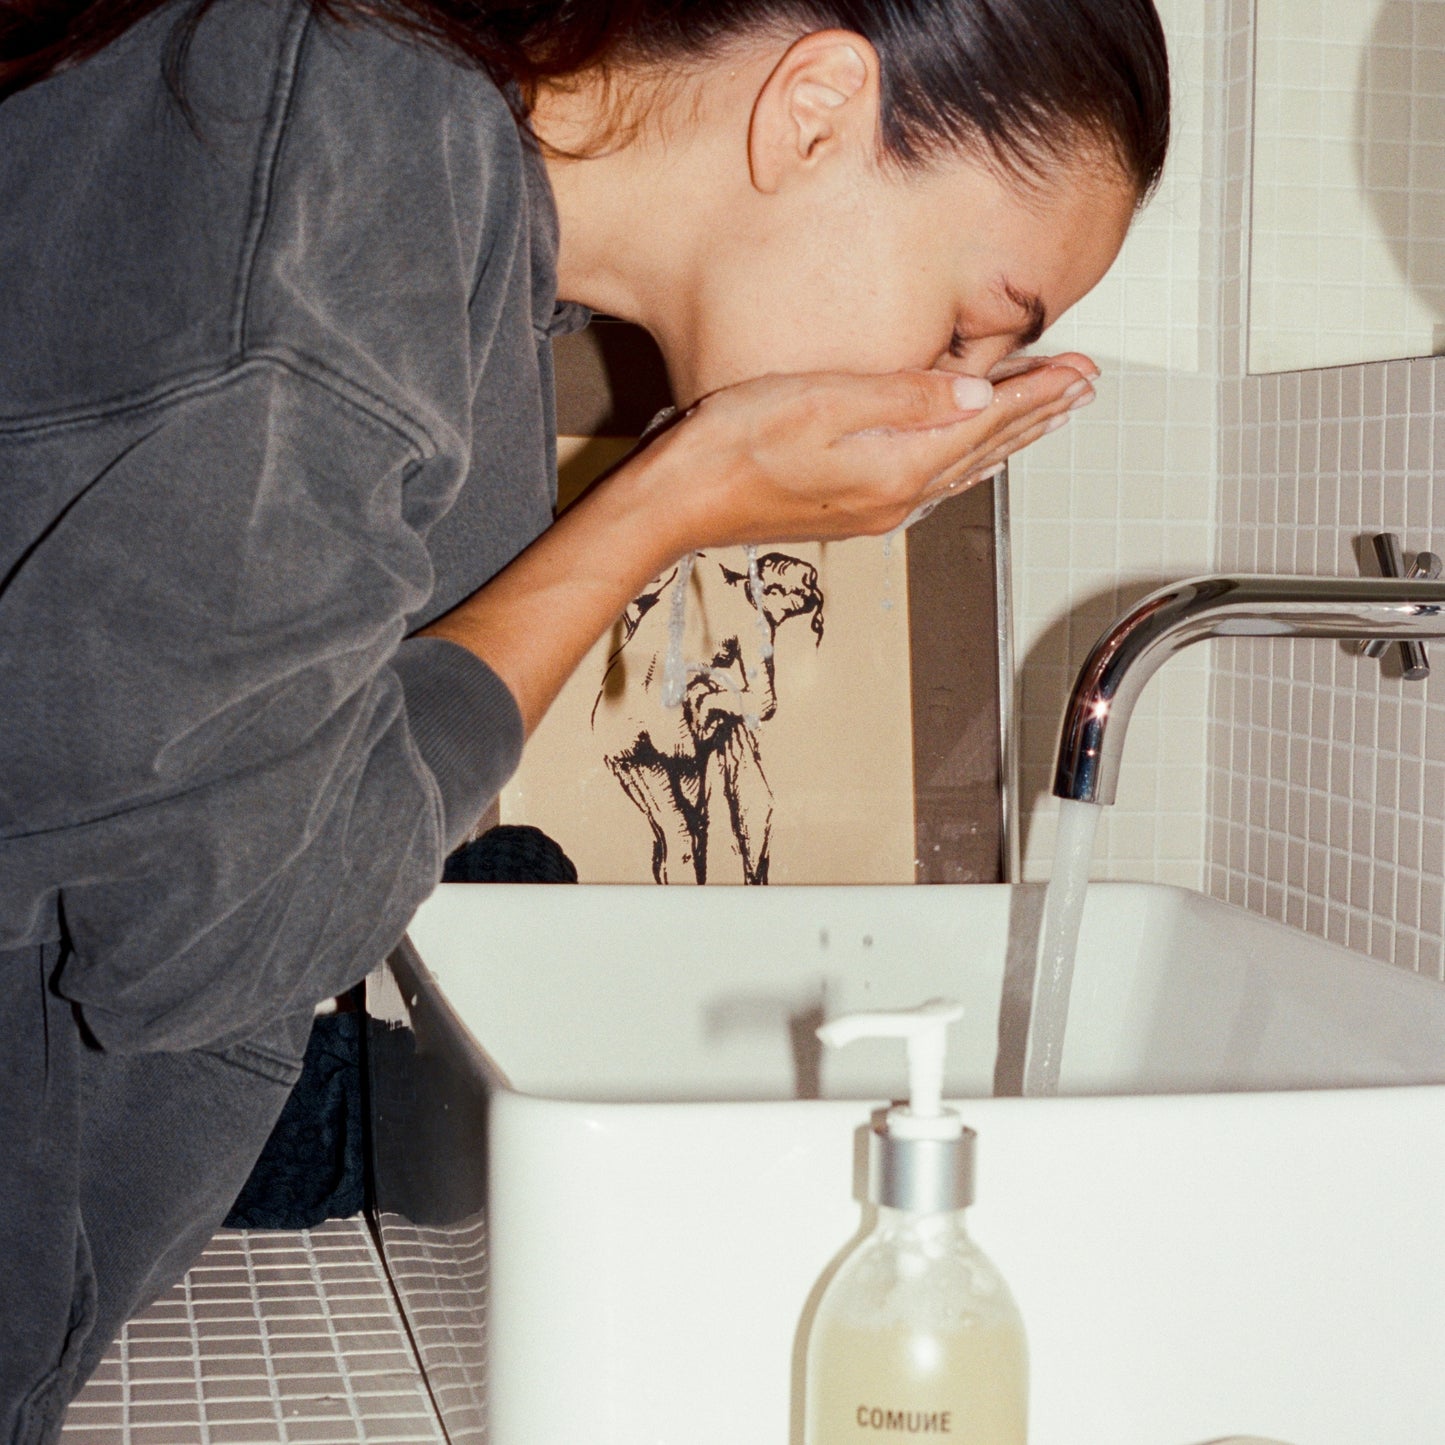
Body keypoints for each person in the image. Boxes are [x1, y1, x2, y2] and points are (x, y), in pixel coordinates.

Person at [0, 0, 1169, 1435]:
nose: (954, 395)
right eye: (972, 325)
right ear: (810, 110)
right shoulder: (358, 157)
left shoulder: (447, 239)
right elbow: (216, 934)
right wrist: (661, 507)